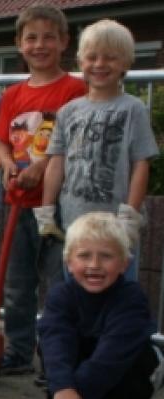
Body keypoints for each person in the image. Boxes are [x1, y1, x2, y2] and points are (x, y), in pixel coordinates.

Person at [0, 5, 87, 377]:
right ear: (19, 44)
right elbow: (0, 142)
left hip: (59, 204)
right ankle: (18, 350)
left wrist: (40, 167)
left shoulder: (74, 89)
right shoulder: (13, 94)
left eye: (49, 36)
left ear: (64, 41)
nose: (40, 44)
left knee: (58, 283)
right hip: (17, 201)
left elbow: (69, 144)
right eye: (31, 37)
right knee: (17, 284)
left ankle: (57, 357)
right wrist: (8, 164)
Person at [38, 19, 159, 283]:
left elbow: (141, 163)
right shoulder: (68, 111)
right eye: (92, 57)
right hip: (74, 225)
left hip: (116, 228)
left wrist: (130, 216)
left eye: (110, 58)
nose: (100, 64)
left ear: (126, 63)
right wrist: (46, 209)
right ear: (81, 61)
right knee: (77, 296)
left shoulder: (133, 109)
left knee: (119, 298)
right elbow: (56, 163)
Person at [35, 212, 160, 399]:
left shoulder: (131, 298)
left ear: (124, 263)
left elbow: (112, 356)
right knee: (51, 345)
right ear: (69, 263)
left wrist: (75, 395)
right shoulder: (61, 295)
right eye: (84, 256)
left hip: (119, 371)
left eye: (106, 257)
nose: (94, 265)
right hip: (80, 379)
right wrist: (63, 388)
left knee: (138, 355)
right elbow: (56, 340)